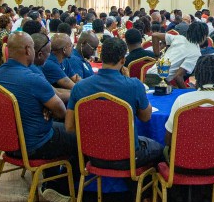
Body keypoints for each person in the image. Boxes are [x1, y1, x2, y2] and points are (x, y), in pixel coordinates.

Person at [0, 32, 72, 202]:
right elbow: (62, 111)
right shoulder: (32, 78)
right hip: (34, 145)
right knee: (79, 136)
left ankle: (52, 182)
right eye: (33, 48)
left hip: (9, 143)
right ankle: (62, 189)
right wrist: (48, 108)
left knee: (53, 129)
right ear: (27, 50)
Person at [65, 37, 163, 171]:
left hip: (92, 155)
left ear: (101, 56)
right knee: (159, 148)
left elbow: (69, 126)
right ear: (123, 60)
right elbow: (146, 117)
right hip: (128, 156)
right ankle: (142, 190)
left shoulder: (79, 87)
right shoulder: (134, 85)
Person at [146, 22, 206, 88]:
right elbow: (178, 77)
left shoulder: (179, 38)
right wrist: (185, 92)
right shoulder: (195, 53)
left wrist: (157, 56)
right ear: (204, 36)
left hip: (149, 76)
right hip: (158, 82)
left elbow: (155, 35)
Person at [31, 33, 74, 102]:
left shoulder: (34, 68)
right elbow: (59, 96)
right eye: (49, 52)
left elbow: (55, 91)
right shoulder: (44, 67)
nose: (49, 55)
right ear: (40, 55)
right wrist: (79, 93)